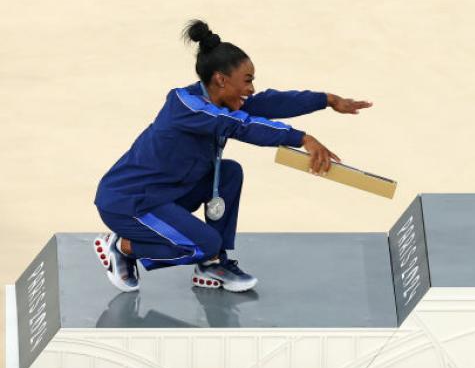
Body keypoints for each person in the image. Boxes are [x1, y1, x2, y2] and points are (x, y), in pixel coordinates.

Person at [92, 20, 371, 293]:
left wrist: (328, 100)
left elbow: (271, 101)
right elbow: (241, 126)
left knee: (229, 172)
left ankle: (212, 265)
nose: (251, 89)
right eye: (247, 81)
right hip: (129, 202)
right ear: (221, 80)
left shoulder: (222, 99)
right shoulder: (185, 104)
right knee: (205, 243)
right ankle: (124, 246)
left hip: (165, 194)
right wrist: (303, 138)